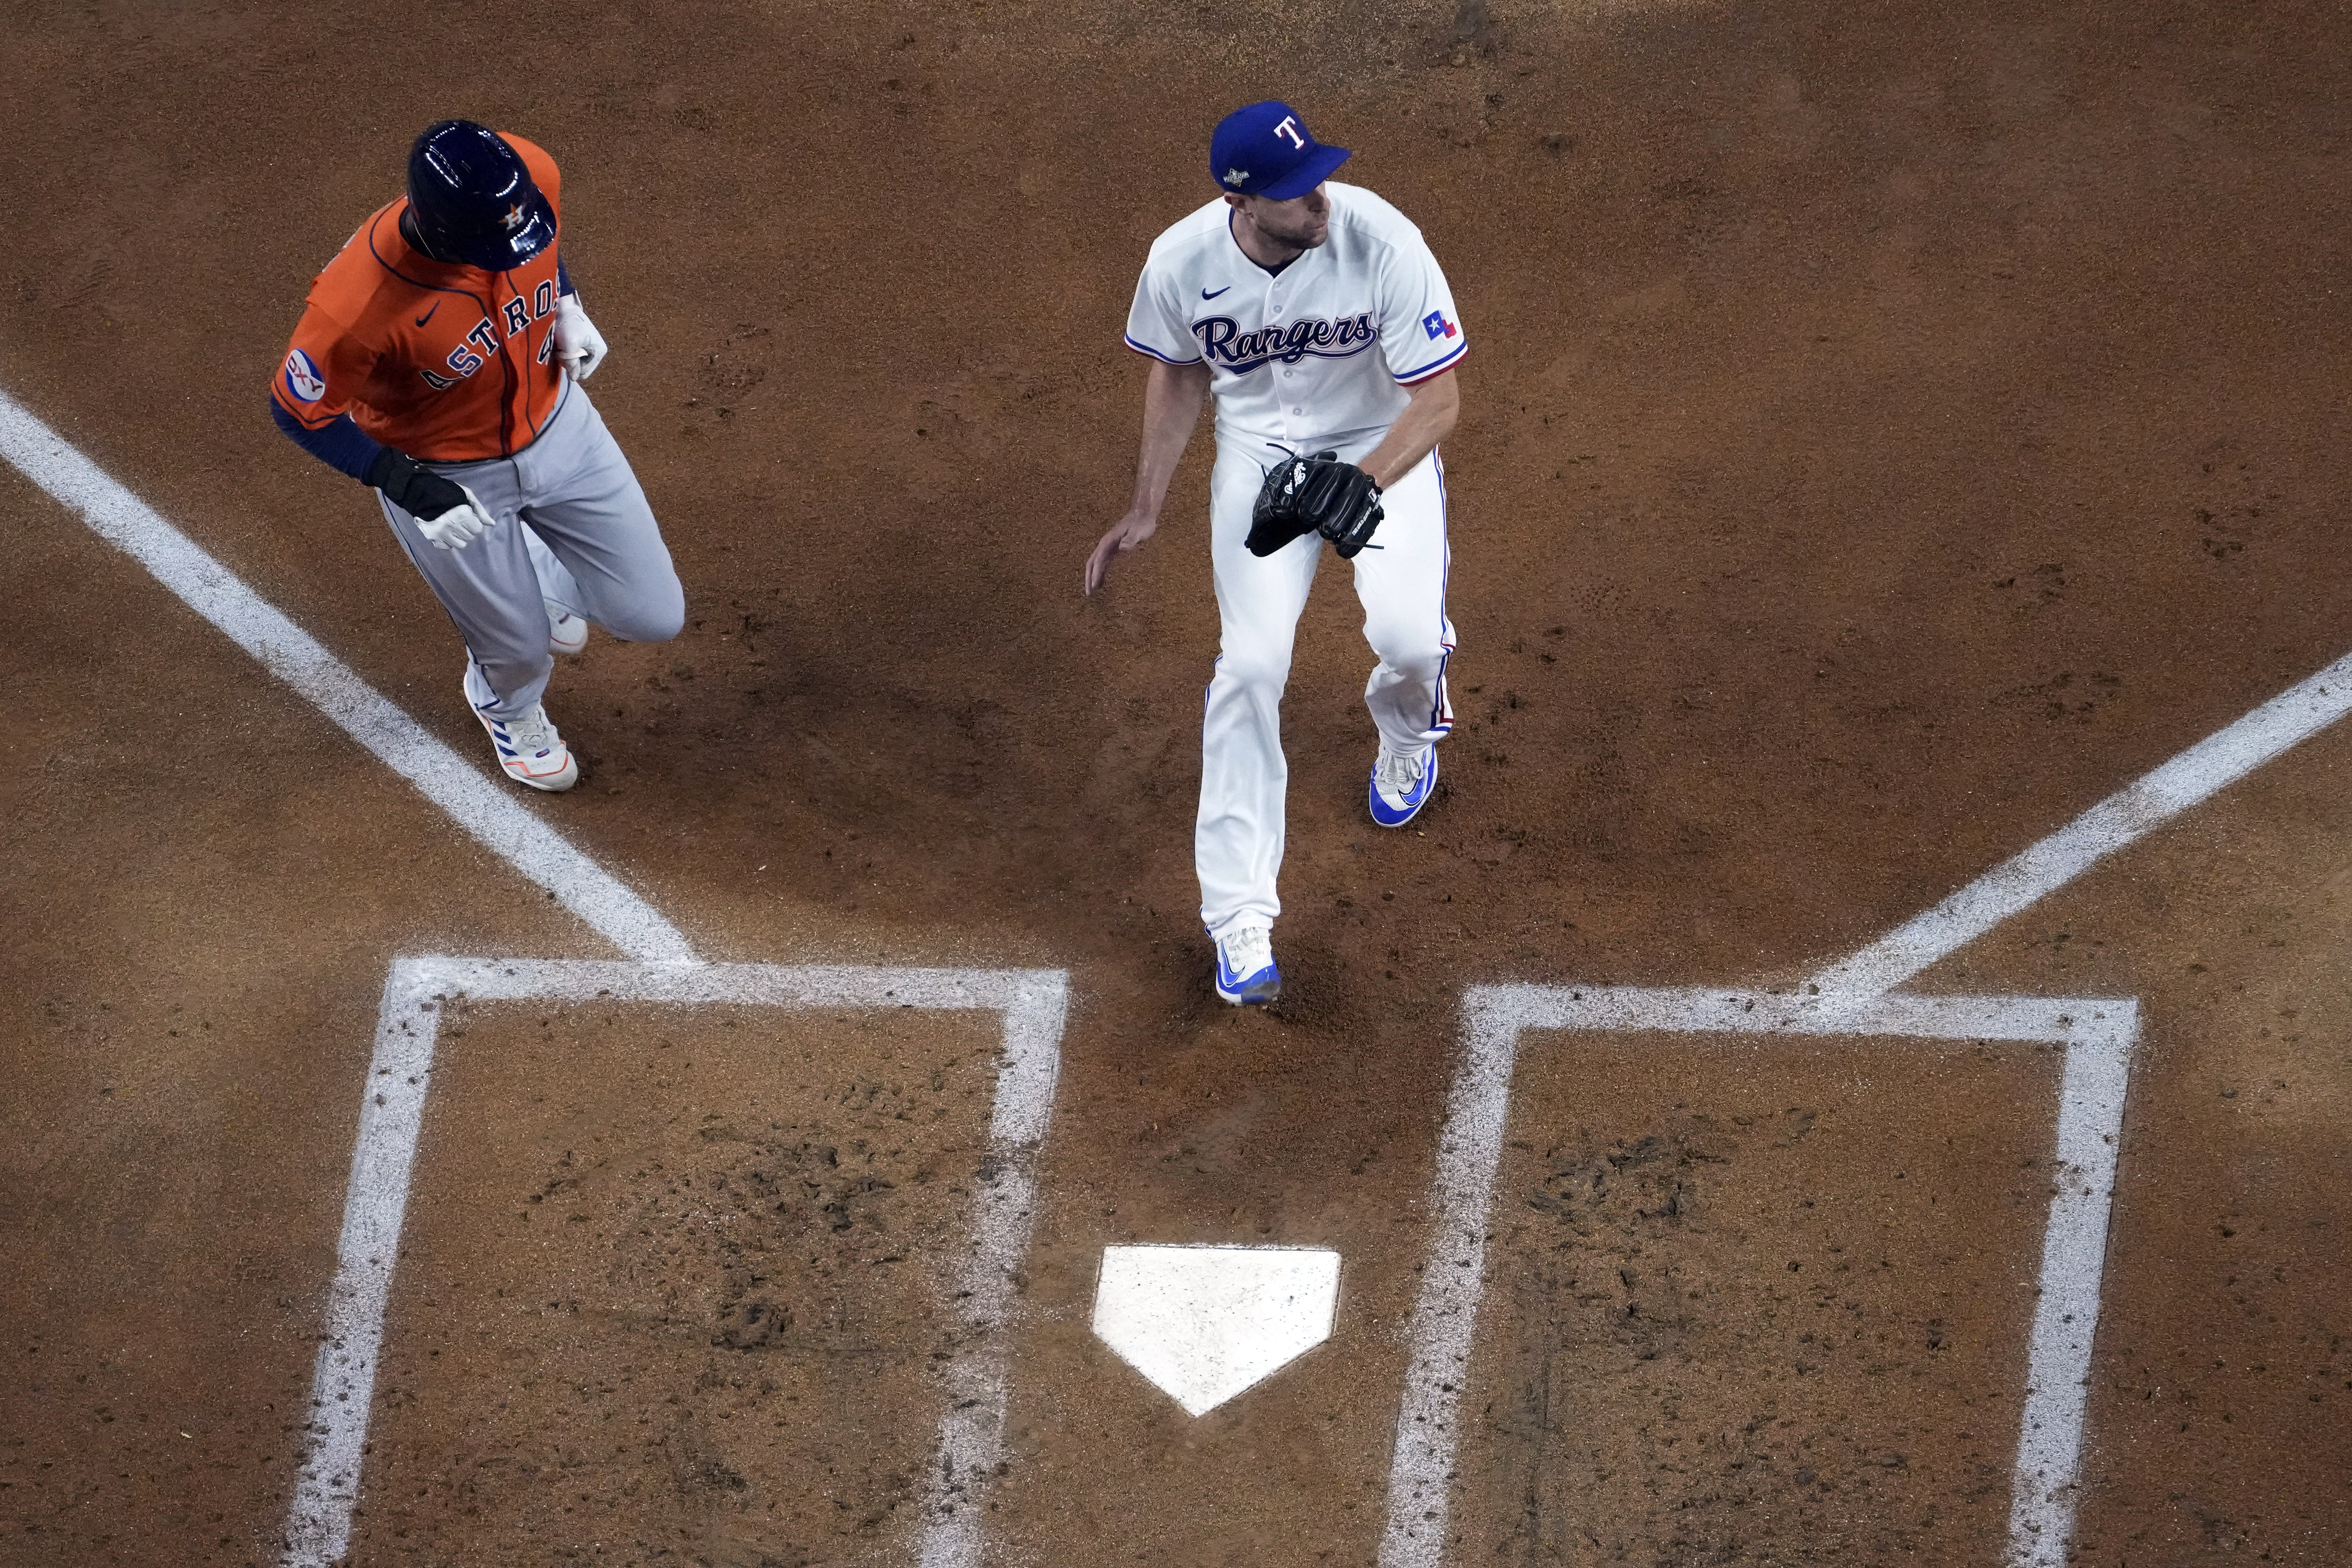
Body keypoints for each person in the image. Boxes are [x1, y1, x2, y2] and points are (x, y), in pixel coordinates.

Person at [1086, 101, 1467, 1006]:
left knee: (1411, 643)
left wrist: (1364, 480)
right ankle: (1238, 920)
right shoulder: (1179, 262)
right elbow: (1178, 368)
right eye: (1295, 193)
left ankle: (1406, 738)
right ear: (1241, 199)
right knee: (1249, 669)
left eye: (1318, 178)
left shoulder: (1380, 238)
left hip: (1385, 444)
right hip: (1259, 458)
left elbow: (1439, 400)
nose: (1318, 200)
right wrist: (1146, 505)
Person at [268, 119, 684, 791]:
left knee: (653, 615)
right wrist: (408, 486)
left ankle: (536, 575)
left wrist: (569, 303)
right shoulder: (357, 309)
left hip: (561, 425)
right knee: (517, 649)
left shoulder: (527, 173)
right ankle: (506, 708)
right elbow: (297, 410)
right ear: (440, 228)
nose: (510, 248)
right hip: (451, 479)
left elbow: (535, 246)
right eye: (490, 243)